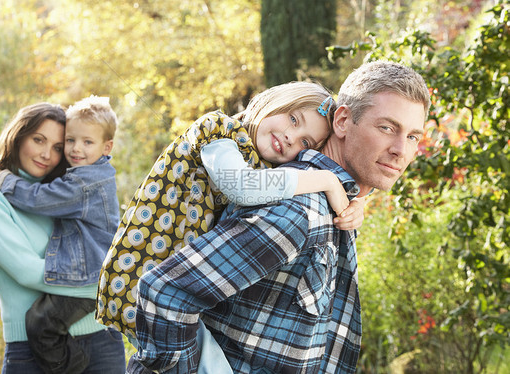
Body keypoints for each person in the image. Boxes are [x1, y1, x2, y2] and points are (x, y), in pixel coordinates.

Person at [125, 60, 431, 373]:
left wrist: (360, 198)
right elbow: (165, 291)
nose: (401, 150)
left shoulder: (336, 204)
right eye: (387, 128)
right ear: (342, 121)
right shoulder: (299, 209)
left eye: (412, 137)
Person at [96, 81, 365, 339]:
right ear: (273, 102)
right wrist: (327, 181)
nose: (291, 137)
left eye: (305, 143)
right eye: (293, 119)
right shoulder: (219, 135)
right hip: (144, 276)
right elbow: (241, 186)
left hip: (181, 289)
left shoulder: (263, 165)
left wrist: (358, 202)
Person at [0, 102, 126, 374]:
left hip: (102, 340)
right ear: (17, 136)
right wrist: (101, 286)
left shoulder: (63, 193)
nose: (46, 154)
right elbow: (26, 272)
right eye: (38, 140)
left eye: (57, 147)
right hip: (32, 351)